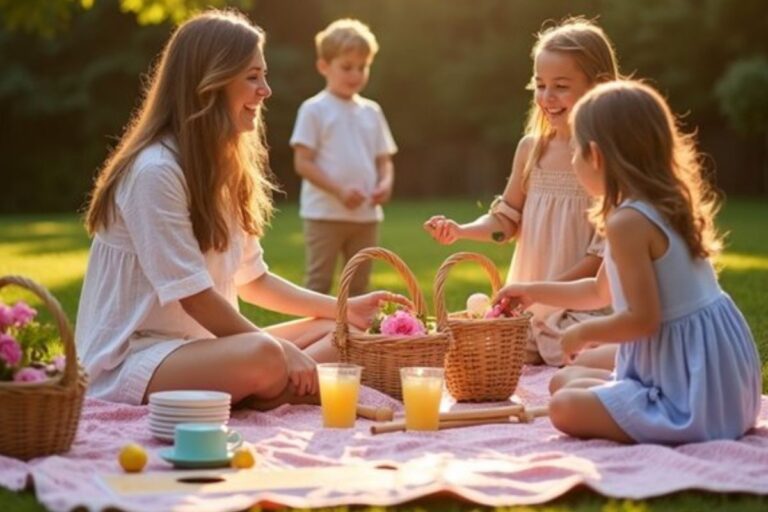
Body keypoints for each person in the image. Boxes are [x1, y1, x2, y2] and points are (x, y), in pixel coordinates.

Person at [75, 10, 406, 407]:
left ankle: (276, 388)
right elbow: (195, 297)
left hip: (204, 349)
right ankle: (277, 388)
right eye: (252, 77)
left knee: (344, 331)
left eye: (263, 76)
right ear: (208, 83)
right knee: (265, 354)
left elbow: (254, 281)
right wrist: (279, 351)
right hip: (133, 361)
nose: (266, 90)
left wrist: (343, 308)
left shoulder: (224, 169)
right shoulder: (156, 171)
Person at [496, 80, 762, 444]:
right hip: (719, 383)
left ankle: (660, 409)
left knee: (564, 408)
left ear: (597, 155)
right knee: (562, 381)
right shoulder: (659, 203)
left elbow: (643, 320)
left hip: (693, 397)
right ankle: (636, 394)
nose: (572, 161)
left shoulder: (627, 222)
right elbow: (599, 290)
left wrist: (583, 332)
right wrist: (531, 291)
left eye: (575, 152)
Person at [424, 17, 619, 367]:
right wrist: (462, 230)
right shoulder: (532, 150)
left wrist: (540, 294)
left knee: (584, 360)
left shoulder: (607, 160)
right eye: (540, 85)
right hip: (525, 310)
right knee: (473, 358)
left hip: (582, 309)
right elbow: (506, 219)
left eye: (561, 85)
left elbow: (599, 259)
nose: (547, 97)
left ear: (599, 86)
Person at [290, 18, 397, 297]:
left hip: (366, 217)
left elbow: (384, 160)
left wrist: (385, 184)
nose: (355, 74)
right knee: (319, 283)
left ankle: (354, 339)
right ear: (324, 66)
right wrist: (339, 191)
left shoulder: (371, 111)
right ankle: (313, 338)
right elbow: (302, 162)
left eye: (362, 67)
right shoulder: (314, 110)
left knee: (359, 287)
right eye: (346, 67)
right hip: (324, 213)